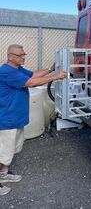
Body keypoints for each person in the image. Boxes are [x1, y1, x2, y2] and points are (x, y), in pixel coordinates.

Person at [0, 44, 67, 195]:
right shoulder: (6, 71)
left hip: (15, 119)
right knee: (2, 152)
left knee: (10, 151)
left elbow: (32, 75)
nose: (23, 57)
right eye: (19, 55)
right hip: (6, 120)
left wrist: (50, 70)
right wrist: (56, 76)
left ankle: (3, 175)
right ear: (10, 56)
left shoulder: (18, 69)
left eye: (24, 54)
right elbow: (30, 83)